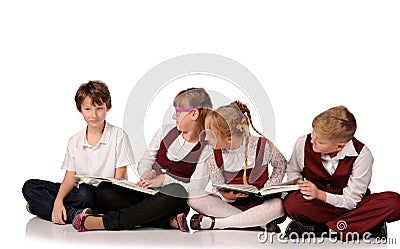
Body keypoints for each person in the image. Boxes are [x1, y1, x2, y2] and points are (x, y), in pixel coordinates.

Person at [72, 87, 213, 232]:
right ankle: (167, 221)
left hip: (172, 201)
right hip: (147, 195)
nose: (173, 116)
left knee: (176, 190)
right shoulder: (165, 131)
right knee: (104, 190)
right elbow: (146, 160)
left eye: (178, 112)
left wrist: (164, 180)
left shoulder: (207, 149)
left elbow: (196, 189)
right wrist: (146, 172)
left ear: (194, 114)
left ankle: (106, 222)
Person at [22, 80, 135, 224]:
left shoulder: (118, 135)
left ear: (107, 108)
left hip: (101, 195)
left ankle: (40, 207)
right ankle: (74, 214)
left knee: (85, 195)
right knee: (30, 187)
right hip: (78, 192)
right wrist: (58, 201)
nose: (93, 115)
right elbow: (70, 178)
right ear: (80, 109)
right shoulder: (74, 140)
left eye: (99, 108)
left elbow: (120, 179)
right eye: (88, 109)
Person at [283, 105, 400, 240]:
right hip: (318, 205)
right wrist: (301, 185)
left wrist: (320, 194)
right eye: (313, 133)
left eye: (320, 141)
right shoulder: (303, 142)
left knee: (395, 203)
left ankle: (322, 229)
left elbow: (351, 201)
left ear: (340, 146)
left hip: (351, 205)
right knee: (291, 204)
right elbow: (293, 170)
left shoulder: (363, 156)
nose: (312, 140)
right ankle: (364, 226)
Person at [185, 101, 287, 231]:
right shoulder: (213, 155)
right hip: (230, 206)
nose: (205, 139)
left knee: (280, 205)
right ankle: (259, 223)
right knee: (192, 196)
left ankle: (217, 224)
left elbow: (281, 164)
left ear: (229, 139)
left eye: (210, 135)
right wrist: (228, 197)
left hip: (260, 203)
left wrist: (269, 187)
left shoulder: (262, 146)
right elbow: (219, 185)